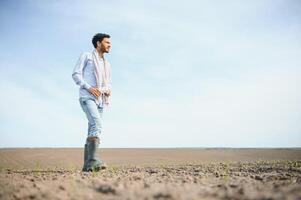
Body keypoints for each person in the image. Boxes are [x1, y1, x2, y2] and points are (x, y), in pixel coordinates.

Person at [72, 33, 112, 172]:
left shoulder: (107, 64)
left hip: (101, 100)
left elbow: (108, 83)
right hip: (87, 97)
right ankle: (94, 161)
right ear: (98, 43)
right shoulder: (87, 56)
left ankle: (87, 165)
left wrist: (107, 90)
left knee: (93, 129)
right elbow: (76, 74)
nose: (109, 45)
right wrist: (89, 88)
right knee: (97, 124)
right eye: (107, 42)